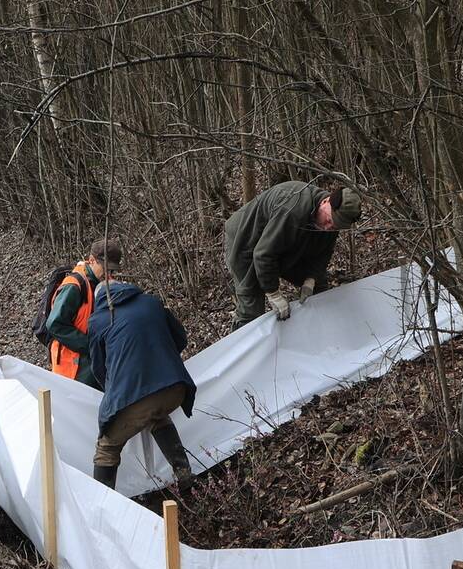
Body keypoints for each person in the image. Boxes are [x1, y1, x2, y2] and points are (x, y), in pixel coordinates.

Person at [88, 280, 197, 490]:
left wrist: (116, 396)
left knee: (107, 448)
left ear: (98, 300)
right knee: (156, 415)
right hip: (176, 388)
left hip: (135, 396)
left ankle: (100, 505)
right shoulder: (151, 302)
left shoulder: (99, 320)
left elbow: (99, 369)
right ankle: (185, 476)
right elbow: (180, 339)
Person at [224, 181, 362, 330]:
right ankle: (243, 347)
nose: (329, 227)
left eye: (334, 226)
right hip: (246, 241)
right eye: (329, 220)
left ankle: (319, 336)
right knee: (251, 311)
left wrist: (311, 279)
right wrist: (273, 293)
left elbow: (323, 253)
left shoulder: (330, 221)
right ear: (326, 201)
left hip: (283, 246)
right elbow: (264, 255)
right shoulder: (293, 209)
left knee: (319, 287)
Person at [44, 238, 121, 387]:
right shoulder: (74, 286)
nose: (109, 274)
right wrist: (90, 345)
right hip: (72, 366)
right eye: (106, 268)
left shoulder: (102, 283)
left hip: (91, 362)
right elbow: (54, 324)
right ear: (92, 260)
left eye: (112, 270)